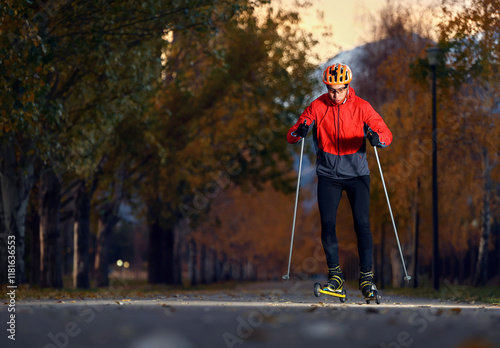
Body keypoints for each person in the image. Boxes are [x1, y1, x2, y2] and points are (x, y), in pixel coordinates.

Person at [286, 63, 392, 300]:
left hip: (357, 174)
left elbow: (386, 134)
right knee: (327, 223)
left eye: (339, 90)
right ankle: (335, 276)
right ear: (326, 87)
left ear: (347, 87)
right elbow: (292, 134)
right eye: (331, 89)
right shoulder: (317, 106)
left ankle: (366, 277)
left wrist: (378, 138)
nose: (335, 94)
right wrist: (300, 130)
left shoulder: (362, 107)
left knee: (362, 223)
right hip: (328, 175)